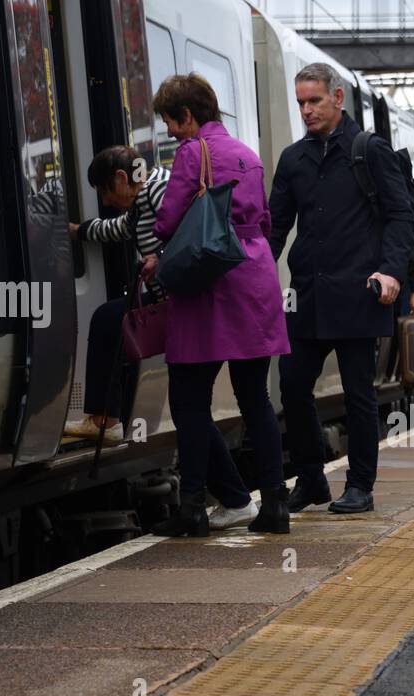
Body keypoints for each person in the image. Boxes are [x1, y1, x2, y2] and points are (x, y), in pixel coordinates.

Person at [268, 63, 414, 515]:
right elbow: (274, 229)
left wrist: (391, 270)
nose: (306, 110)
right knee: (293, 387)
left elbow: (401, 215)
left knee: (358, 394)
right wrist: (250, 280)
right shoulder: (293, 159)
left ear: (337, 98)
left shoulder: (369, 150)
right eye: (300, 103)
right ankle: (312, 478)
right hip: (307, 296)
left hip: (359, 292)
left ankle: (360, 486)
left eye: (314, 101)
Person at [148, 73, 290, 535]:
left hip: (209, 285)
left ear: (187, 115)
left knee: (189, 400)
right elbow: (265, 219)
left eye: (171, 120)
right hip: (254, 279)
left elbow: (168, 221)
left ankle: (191, 510)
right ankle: (274, 507)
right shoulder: (248, 155)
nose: (170, 130)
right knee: (256, 399)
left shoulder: (193, 152)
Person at [65, 145, 170, 445]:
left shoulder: (159, 190)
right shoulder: (142, 202)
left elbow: (189, 229)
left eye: (105, 191)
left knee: (108, 320)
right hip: (170, 298)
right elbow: (117, 229)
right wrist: (75, 231)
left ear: (123, 177)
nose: (106, 200)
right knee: (109, 320)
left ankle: (104, 420)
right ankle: (107, 419)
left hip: (184, 302)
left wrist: (160, 256)